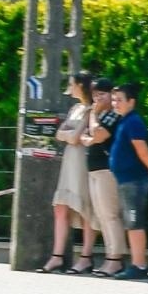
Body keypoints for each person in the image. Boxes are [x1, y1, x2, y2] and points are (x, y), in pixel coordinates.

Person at [38, 71, 98, 273]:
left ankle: (86, 257)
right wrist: (69, 135)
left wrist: (69, 135)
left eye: (73, 84)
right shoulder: (75, 108)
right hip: (70, 160)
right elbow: (60, 134)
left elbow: (73, 137)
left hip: (82, 161)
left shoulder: (91, 109)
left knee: (85, 209)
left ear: (81, 85)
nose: (70, 87)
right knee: (61, 207)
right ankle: (57, 256)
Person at [108, 82, 148, 281]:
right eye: (114, 100)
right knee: (131, 222)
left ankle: (139, 265)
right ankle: (136, 263)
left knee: (134, 222)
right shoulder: (124, 121)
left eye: (119, 100)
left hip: (133, 180)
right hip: (126, 180)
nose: (115, 103)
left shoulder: (133, 122)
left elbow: (140, 147)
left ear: (131, 101)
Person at [80, 77, 128, 277]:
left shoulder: (111, 115)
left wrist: (93, 114)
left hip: (107, 170)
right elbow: (83, 138)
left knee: (110, 214)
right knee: (101, 215)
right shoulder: (102, 115)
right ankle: (110, 254)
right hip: (94, 170)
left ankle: (115, 258)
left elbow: (97, 135)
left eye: (102, 94)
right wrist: (90, 136)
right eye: (95, 95)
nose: (98, 98)